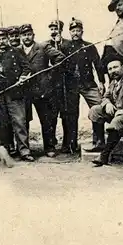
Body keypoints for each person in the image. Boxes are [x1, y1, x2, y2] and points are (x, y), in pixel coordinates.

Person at [19, 23, 66, 157]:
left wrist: (50, 75)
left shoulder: (43, 47)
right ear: (21, 37)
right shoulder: (16, 50)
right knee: (24, 120)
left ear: (33, 35)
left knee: (47, 120)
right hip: (24, 92)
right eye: (24, 35)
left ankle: (49, 147)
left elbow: (60, 58)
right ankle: (25, 150)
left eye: (29, 34)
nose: (27, 37)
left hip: (42, 90)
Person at [62, 17, 107, 153]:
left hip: (88, 84)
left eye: (78, 30)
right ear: (70, 33)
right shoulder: (64, 47)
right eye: (73, 31)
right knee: (71, 113)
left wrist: (101, 82)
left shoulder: (89, 46)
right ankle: (71, 143)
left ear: (82, 32)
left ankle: (99, 140)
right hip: (71, 86)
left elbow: (98, 64)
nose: (75, 33)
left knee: (98, 108)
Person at [0, 27, 33, 161]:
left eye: (4, 39)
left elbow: (27, 68)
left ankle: (24, 151)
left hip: (14, 92)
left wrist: (23, 77)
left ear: (8, 39)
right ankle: (7, 149)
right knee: (2, 123)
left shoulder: (17, 52)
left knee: (19, 121)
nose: (1, 41)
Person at [46, 20, 76, 153]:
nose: (54, 31)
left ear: (61, 30)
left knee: (67, 115)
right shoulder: (45, 45)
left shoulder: (68, 44)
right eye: (51, 28)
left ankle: (68, 143)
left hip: (66, 84)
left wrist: (61, 46)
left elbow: (71, 62)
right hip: (52, 86)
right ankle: (51, 143)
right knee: (51, 115)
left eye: (56, 29)